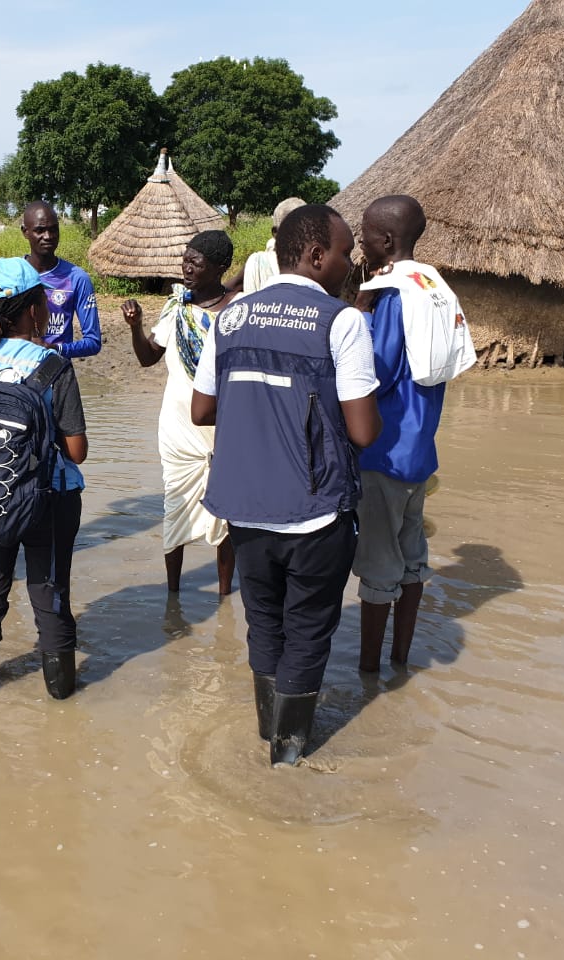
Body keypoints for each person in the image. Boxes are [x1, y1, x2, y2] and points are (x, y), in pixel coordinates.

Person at [191, 204, 381, 765]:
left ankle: (265, 737)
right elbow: (363, 432)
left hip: (246, 511)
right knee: (308, 632)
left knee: (264, 624)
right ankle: (288, 759)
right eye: (346, 252)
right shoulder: (342, 320)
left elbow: (203, 409)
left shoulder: (230, 317)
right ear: (317, 254)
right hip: (315, 511)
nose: (351, 264)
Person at [0, 258, 89, 699]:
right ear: (32, 310)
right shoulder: (53, 365)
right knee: (50, 596)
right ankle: (62, 701)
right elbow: (77, 451)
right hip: (50, 500)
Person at [352, 195, 448, 672]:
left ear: (386, 241)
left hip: (384, 454)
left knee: (377, 565)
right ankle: (401, 659)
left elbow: (376, 370)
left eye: (365, 234)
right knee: (412, 562)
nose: (360, 243)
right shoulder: (432, 285)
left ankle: (368, 674)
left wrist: (361, 313)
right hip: (420, 450)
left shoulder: (388, 292)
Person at [121, 230, 237, 596]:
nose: (186, 268)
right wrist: (136, 327)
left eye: (195, 262)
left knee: (226, 514)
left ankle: (223, 597)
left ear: (219, 268)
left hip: (224, 424)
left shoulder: (235, 313)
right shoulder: (176, 309)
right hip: (177, 428)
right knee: (175, 506)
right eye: (184, 260)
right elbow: (147, 358)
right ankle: (173, 594)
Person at [21, 201, 102, 358]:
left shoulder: (77, 278)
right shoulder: (13, 275)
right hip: (18, 374)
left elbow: (93, 342)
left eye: (53, 230)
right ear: (25, 232)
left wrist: (56, 349)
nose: (48, 236)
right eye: (40, 230)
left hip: (58, 374)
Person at [225, 196, 306, 295]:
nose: (300, 234)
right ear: (276, 233)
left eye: (305, 228)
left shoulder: (316, 264)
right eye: (293, 228)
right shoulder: (258, 262)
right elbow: (231, 288)